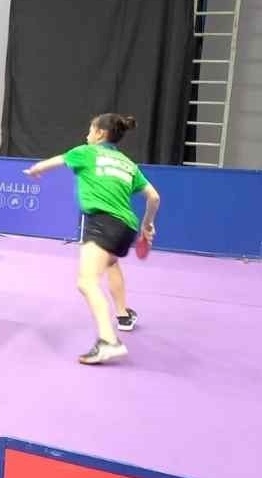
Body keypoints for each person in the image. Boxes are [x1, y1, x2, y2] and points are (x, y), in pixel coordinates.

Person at [24, 113, 162, 365]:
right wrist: (147, 225)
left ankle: (108, 341)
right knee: (110, 263)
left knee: (86, 282)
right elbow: (154, 197)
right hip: (127, 228)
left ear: (100, 133)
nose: (87, 135)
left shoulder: (86, 152)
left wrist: (35, 170)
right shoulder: (129, 164)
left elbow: (50, 164)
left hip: (101, 223)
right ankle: (123, 314)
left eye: (90, 130)